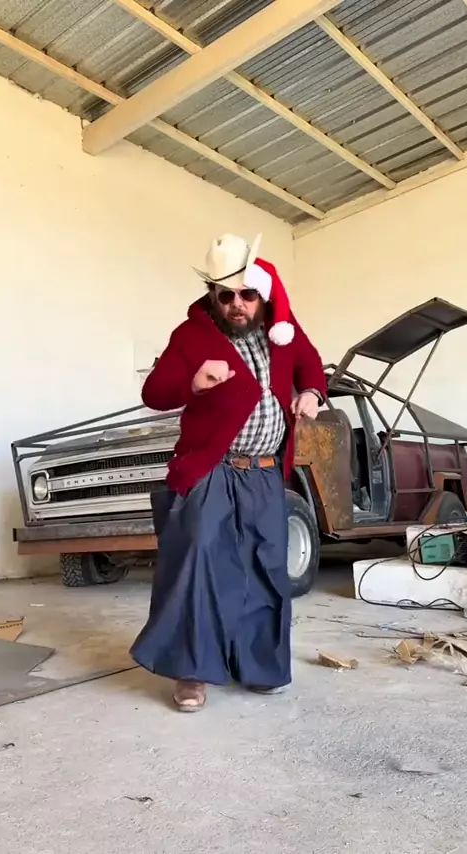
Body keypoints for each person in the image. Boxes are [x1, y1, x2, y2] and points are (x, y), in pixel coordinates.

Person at [130, 233, 327, 712]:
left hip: (264, 473)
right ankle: (193, 672)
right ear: (212, 296)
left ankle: (259, 666)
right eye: (226, 296)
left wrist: (312, 393)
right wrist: (193, 383)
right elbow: (154, 392)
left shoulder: (283, 330)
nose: (237, 305)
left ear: (261, 294)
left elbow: (310, 365)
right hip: (212, 468)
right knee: (198, 565)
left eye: (247, 294)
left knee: (266, 568)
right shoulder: (191, 335)